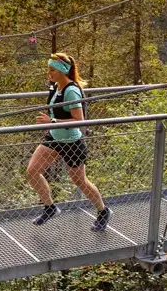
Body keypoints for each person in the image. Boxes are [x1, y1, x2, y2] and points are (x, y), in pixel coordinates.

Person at [26, 51, 112, 230]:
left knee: (79, 180)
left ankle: (103, 211)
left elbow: (79, 120)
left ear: (62, 71)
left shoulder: (71, 91)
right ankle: (50, 207)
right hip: (55, 138)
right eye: (48, 69)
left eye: (52, 70)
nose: (49, 73)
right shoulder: (55, 87)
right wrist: (52, 124)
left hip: (72, 142)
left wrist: (52, 121)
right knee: (32, 171)